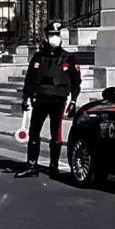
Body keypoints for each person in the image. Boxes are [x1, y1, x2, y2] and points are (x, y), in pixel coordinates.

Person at [15, 21, 82, 179]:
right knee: (34, 131)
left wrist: (73, 101)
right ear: (46, 37)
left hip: (58, 100)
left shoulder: (68, 58)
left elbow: (76, 81)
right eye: (51, 34)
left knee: (56, 133)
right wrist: (26, 98)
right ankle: (32, 165)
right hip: (40, 99)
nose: (54, 38)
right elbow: (29, 79)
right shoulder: (38, 57)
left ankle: (54, 167)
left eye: (56, 35)